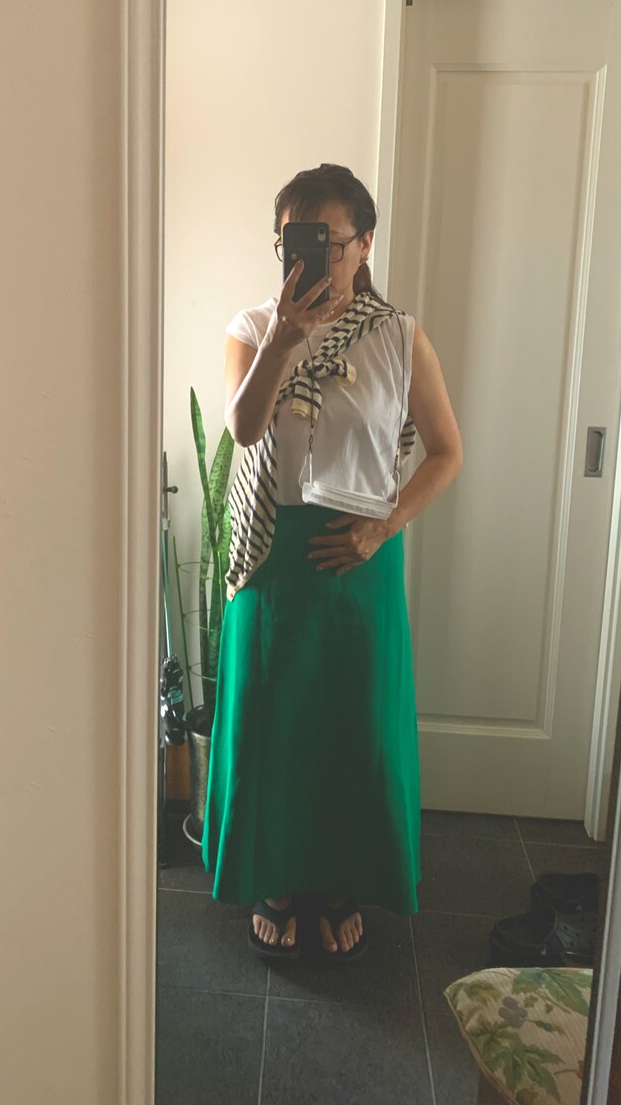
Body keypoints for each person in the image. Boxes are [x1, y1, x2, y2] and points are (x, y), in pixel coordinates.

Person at [200, 162, 463, 963]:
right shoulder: (251, 327)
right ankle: (276, 881)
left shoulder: (400, 336)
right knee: (272, 724)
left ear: (365, 243)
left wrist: (384, 528)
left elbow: (446, 453)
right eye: (292, 241)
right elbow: (245, 430)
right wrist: (284, 337)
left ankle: (344, 882)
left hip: (362, 555)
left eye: (327, 240)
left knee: (356, 730)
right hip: (273, 551)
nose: (309, 255)